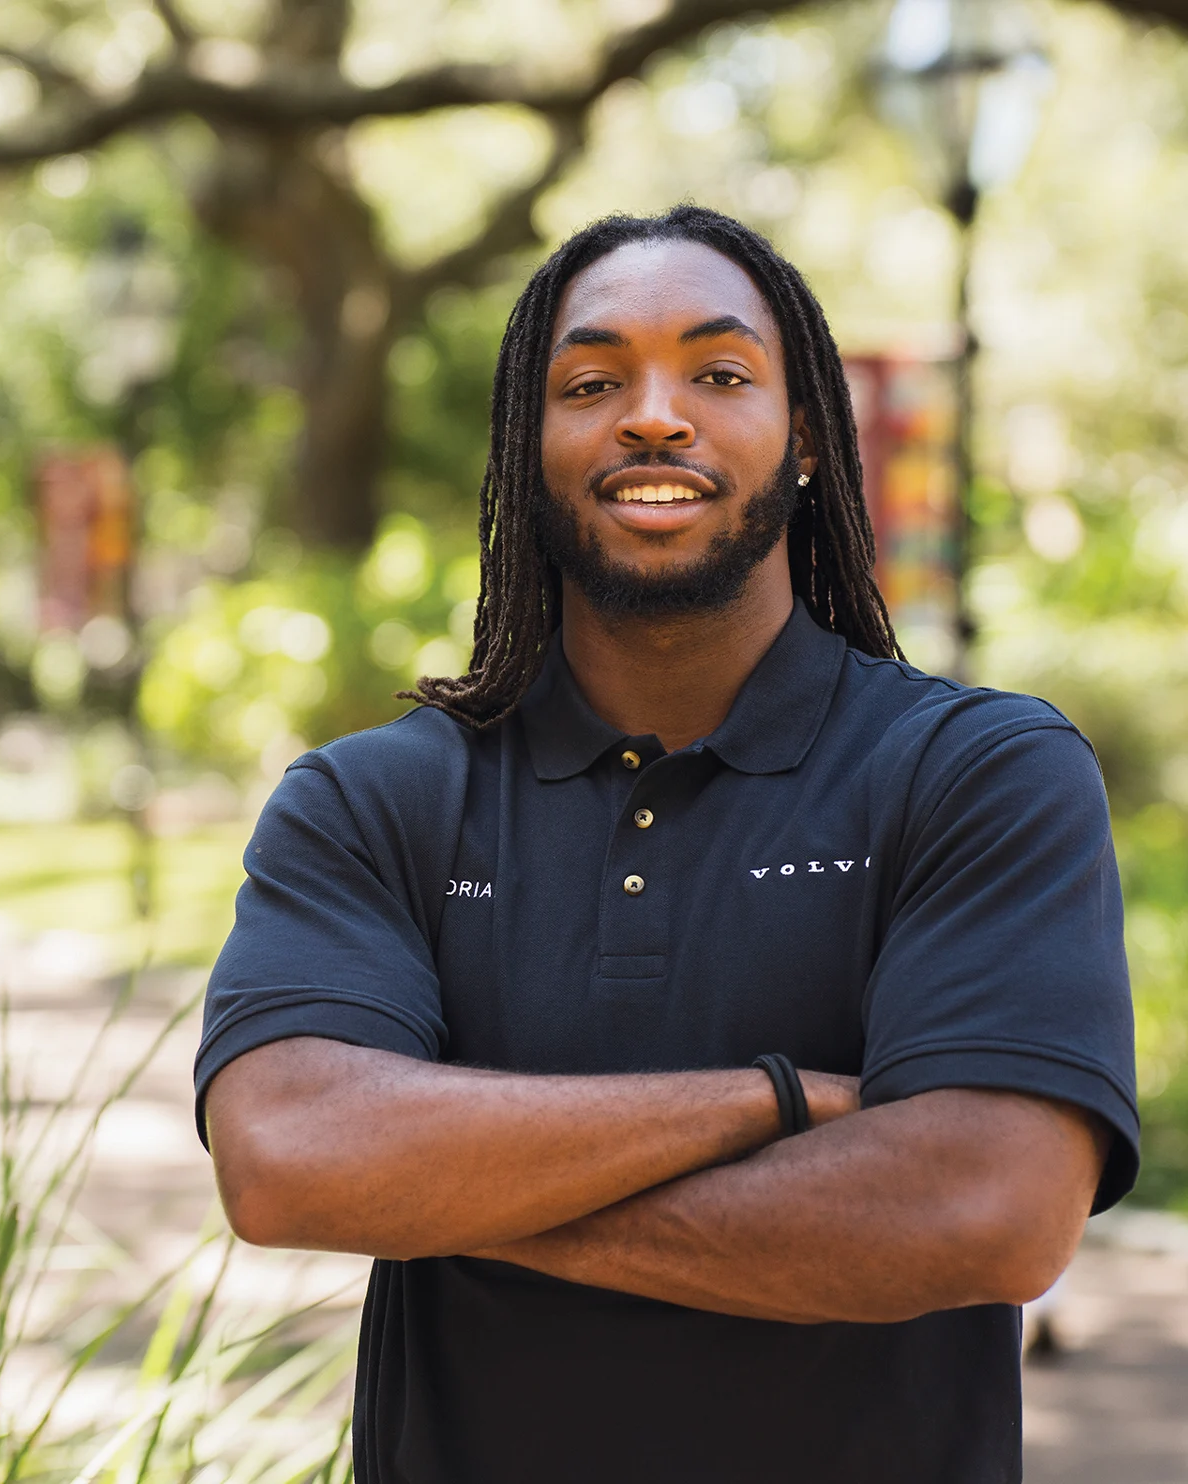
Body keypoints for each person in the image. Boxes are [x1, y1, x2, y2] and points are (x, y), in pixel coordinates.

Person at [196, 206, 1138, 1484]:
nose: (652, 415)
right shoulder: (375, 800)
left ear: (807, 437)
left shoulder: (977, 771)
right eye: (591, 382)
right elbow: (288, 1160)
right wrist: (784, 1099)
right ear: (529, 449)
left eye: (719, 372)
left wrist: (453, 1188)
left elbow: (992, 1206)